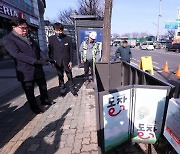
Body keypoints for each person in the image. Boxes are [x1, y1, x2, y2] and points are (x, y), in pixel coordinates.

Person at [3, 18, 55, 114]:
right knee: (29, 91)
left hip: (38, 68)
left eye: (26, 28)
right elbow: (17, 54)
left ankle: (45, 100)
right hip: (25, 70)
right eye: (23, 28)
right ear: (14, 27)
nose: (25, 30)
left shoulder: (29, 37)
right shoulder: (8, 39)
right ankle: (34, 107)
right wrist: (35, 61)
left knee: (43, 86)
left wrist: (47, 59)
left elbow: (38, 50)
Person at [48, 23, 78, 96]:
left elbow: (71, 51)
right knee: (60, 76)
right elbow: (50, 51)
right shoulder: (51, 39)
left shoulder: (68, 38)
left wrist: (71, 61)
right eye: (57, 31)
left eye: (60, 31)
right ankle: (62, 90)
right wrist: (52, 61)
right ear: (54, 30)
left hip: (67, 61)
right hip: (57, 61)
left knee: (69, 75)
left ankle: (72, 89)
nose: (59, 32)